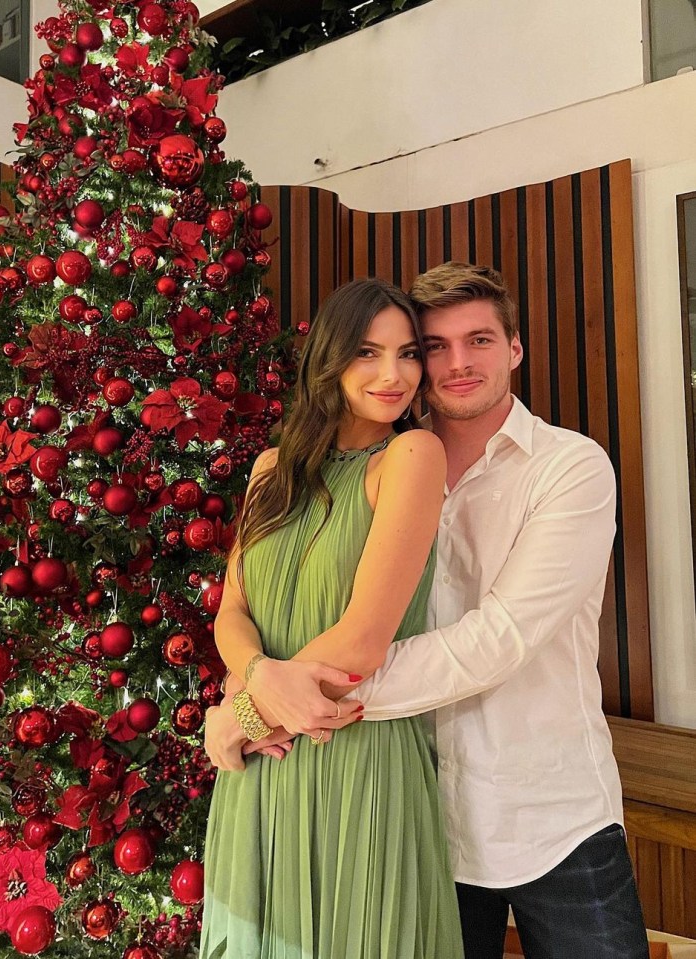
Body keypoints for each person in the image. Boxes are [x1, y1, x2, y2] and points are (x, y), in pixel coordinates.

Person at [207, 263, 649, 959]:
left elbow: (495, 640)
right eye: (432, 345)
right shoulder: (382, 463)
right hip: (415, 810)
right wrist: (259, 681)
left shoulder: (569, 467)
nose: (455, 362)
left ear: (515, 349)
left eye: (477, 340)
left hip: (545, 811)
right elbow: (260, 607)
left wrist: (267, 702)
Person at [200, 278, 464, 958]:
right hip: (260, 770)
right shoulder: (268, 470)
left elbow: (365, 639)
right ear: (330, 358)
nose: (394, 374)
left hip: (354, 753)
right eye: (369, 353)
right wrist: (256, 679)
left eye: (408, 354)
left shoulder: (411, 455)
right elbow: (232, 610)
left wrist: (242, 715)